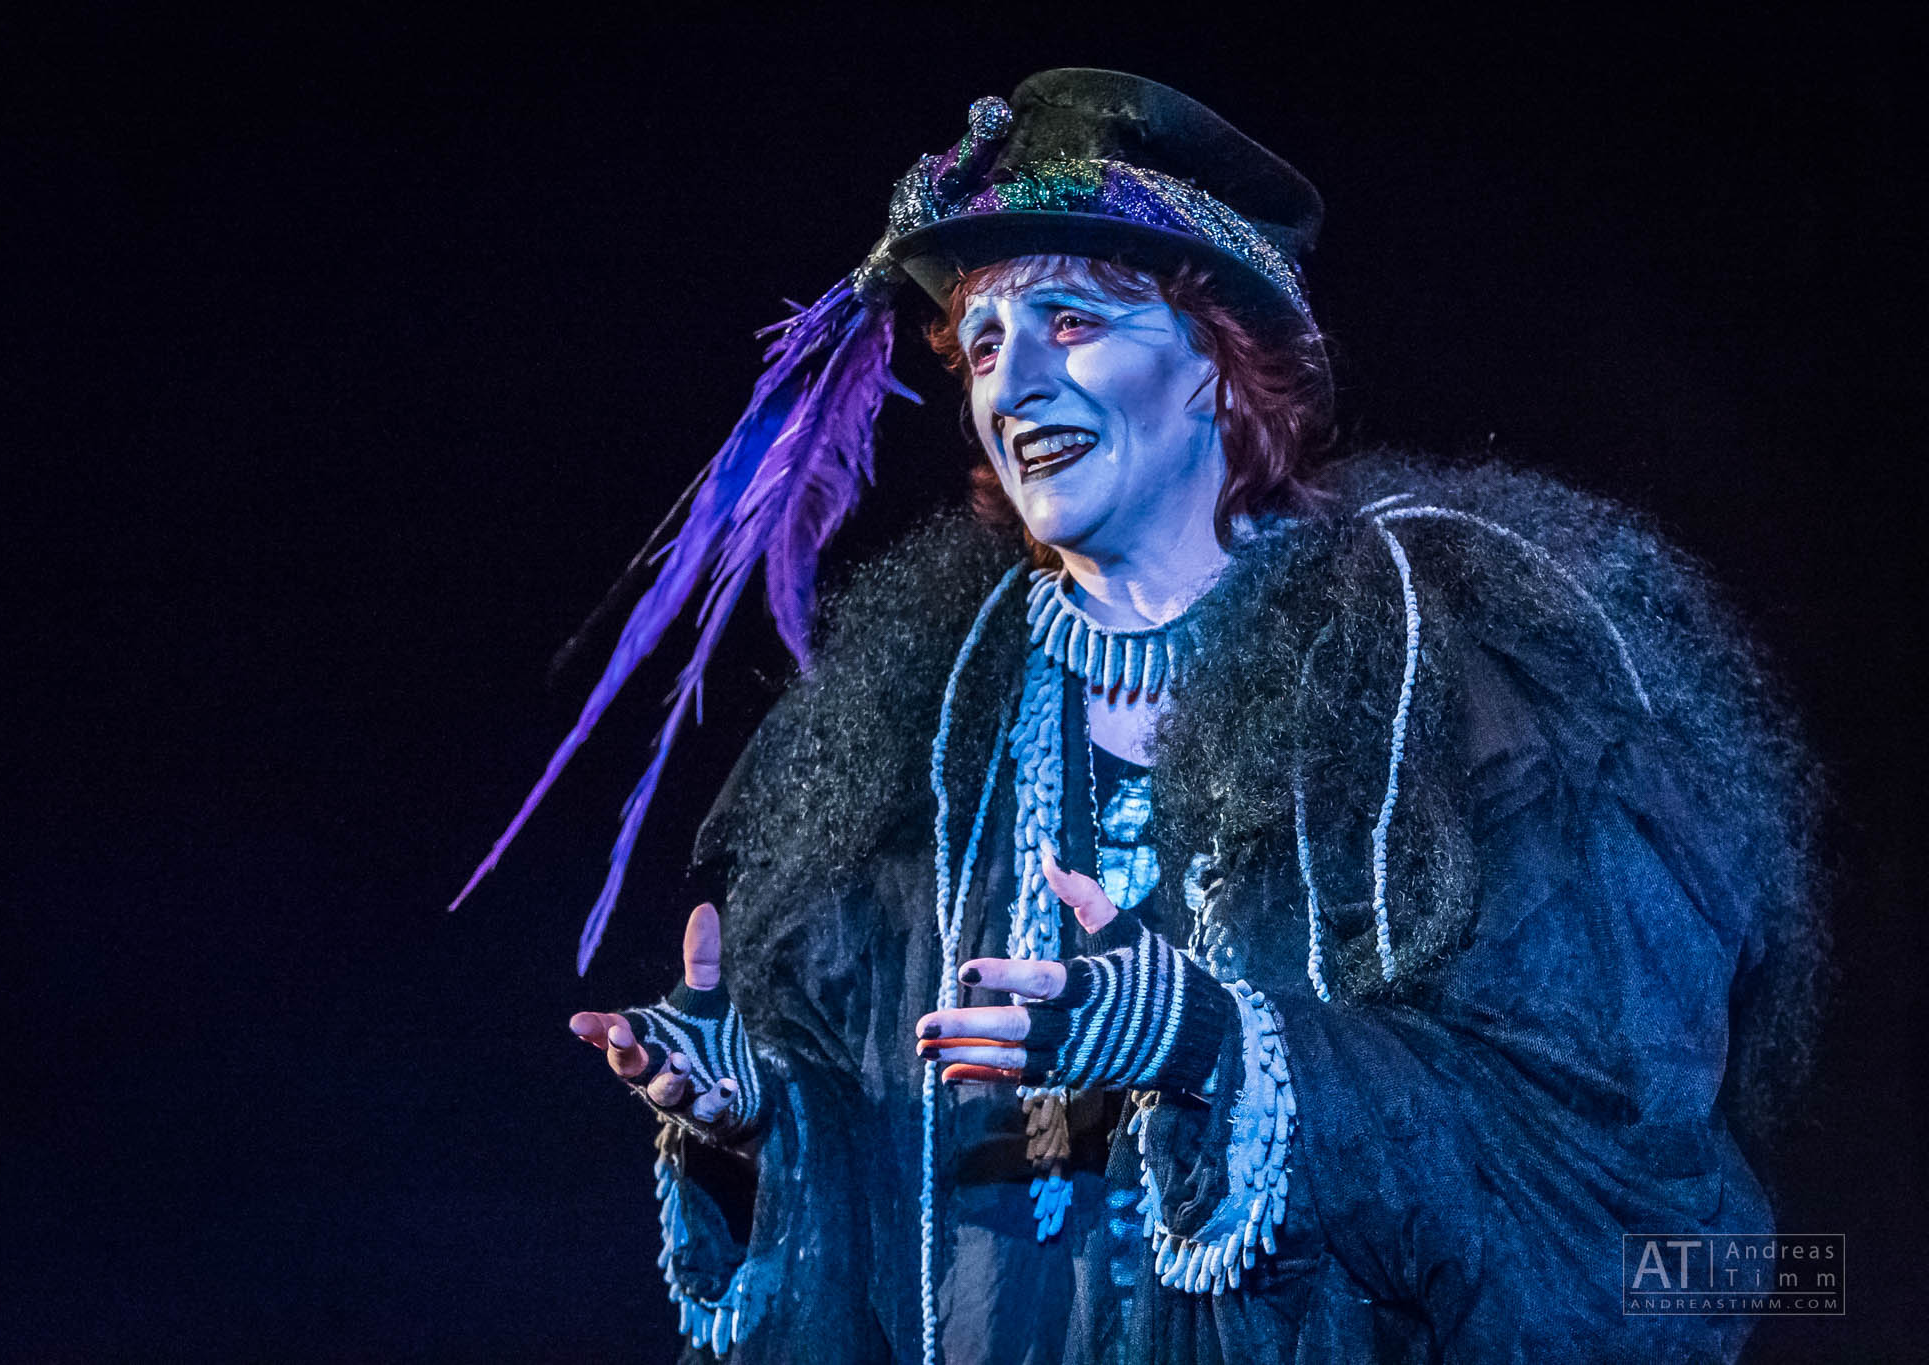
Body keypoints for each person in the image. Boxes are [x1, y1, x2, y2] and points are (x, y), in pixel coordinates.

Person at [462, 70, 1824, 1362]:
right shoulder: (932, 721)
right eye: (983, 344)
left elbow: (1587, 1160)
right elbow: (898, 1138)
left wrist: (1216, 1044)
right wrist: (761, 1110)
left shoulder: (1430, 675)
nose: (1013, 385)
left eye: (1072, 323)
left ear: (1219, 363)